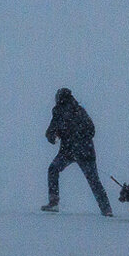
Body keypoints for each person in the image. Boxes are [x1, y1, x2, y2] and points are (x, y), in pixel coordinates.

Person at [42, 87, 113, 216]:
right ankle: (106, 209)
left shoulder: (59, 111)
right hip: (85, 151)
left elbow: (50, 133)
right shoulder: (80, 110)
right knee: (94, 180)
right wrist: (79, 137)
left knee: (53, 169)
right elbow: (91, 129)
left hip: (69, 151)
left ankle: (53, 202)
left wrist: (56, 137)